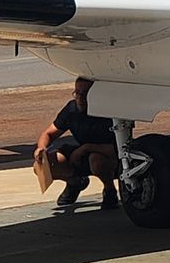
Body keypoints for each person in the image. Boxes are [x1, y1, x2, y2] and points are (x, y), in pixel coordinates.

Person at [35, 77, 120, 208]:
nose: (80, 98)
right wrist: (41, 148)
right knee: (42, 165)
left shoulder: (107, 112)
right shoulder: (72, 109)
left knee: (96, 160)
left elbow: (116, 149)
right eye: (77, 93)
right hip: (80, 155)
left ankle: (109, 190)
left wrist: (85, 148)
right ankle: (75, 182)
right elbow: (48, 133)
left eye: (85, 94)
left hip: (107, 156)